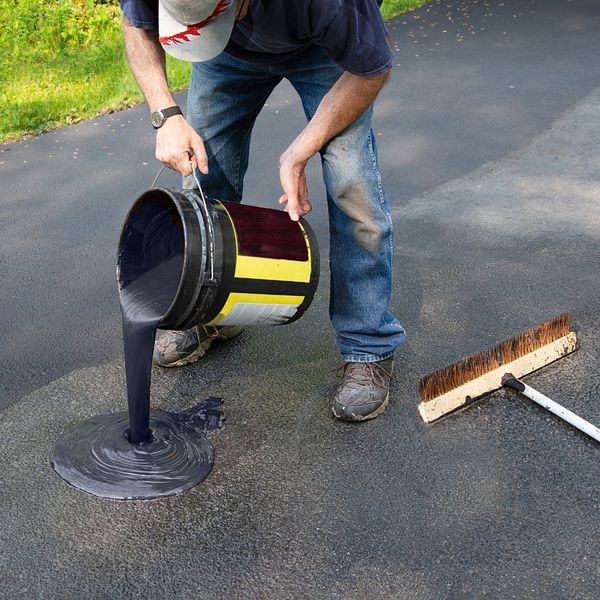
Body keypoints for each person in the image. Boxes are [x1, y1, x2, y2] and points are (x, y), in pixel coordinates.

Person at [118, 0, 406, 421]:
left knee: (352, 187)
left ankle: (368, 344)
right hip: (226, 56)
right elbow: (136, 24)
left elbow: (372, 69)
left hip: (325, 53)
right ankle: (211, 313)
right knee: (203, 176)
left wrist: (299, 151)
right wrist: (165, 114)